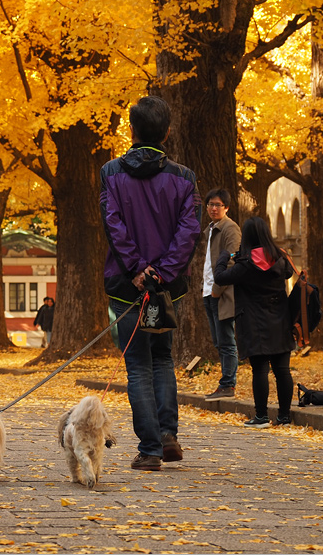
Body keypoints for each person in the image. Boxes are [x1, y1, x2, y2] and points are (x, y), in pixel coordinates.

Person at [100, 96, 201, 471]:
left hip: (126, 285)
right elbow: (188, 231)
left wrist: (138, 269)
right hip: (167, 288)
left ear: (132, 130)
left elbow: (113, 224)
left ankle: (151, 447)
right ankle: (167, 433)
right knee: (162, 358)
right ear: (168, 132)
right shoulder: (184, 178)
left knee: (138, 364)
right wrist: (163, 271)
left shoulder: (111, 173)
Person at [214, 217, 295, 428]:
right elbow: (288, 273)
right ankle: (284, 416)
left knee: (260, 370)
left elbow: (220, 277)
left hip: (254, 322)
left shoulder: (246, 265)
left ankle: (261, 416)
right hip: (280, 319)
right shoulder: (280, 259)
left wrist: (224, 257)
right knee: (282, 369)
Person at [201, 188, 241, 401]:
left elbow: (232, 261)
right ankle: (226, 382)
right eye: (210, 204)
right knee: (218, 340)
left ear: (226, 207)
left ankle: (228, 385)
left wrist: (217, 289)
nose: (213, 208)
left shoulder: (230, 228)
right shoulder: (210, 229)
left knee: (226, 340)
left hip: (222, 293)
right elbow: (209, 261)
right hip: (208, 291)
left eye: (217, 205)